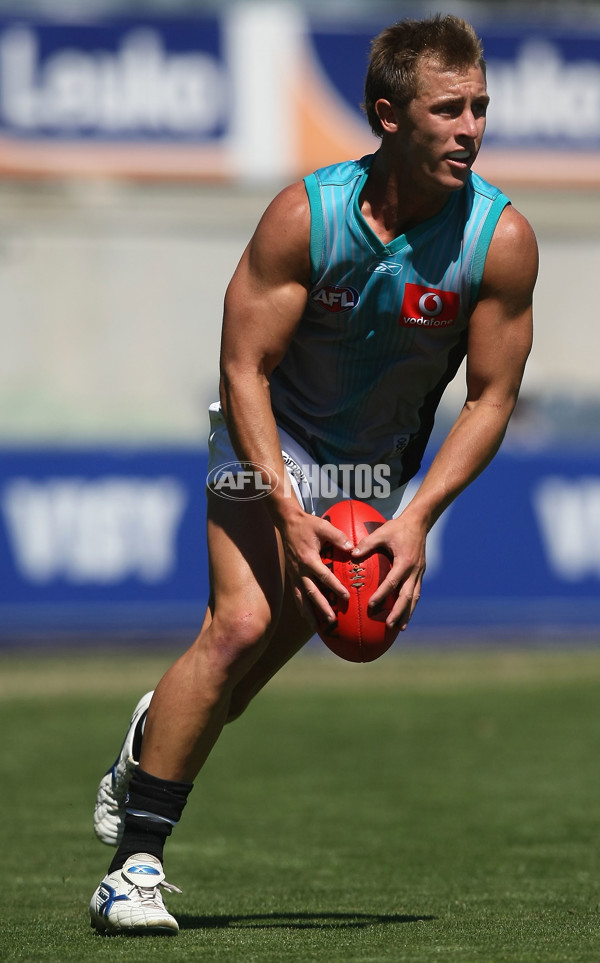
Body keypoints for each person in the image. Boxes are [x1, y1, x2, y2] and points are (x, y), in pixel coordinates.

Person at [89, 13, 537, 935]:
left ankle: (150, 735)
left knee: (260, 673)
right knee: (240, 622)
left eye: (480, 108)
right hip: (273, 434)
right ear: (386, 115)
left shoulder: (500, 242)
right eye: (448, 109)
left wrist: (417, 516)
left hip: (375, 466)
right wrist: (290, 513)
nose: (471, 128)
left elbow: (491, 398)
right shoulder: (306, 218)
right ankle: (132, 868)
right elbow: (243, 368)